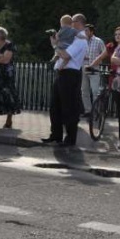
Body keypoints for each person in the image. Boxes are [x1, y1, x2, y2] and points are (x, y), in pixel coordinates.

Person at [46, 14, 88, 147]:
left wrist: (54, 45)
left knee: (69, 107)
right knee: (55, 106)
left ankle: (70, 138)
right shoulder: (72, 37)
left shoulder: (80, 40)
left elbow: (65, 55)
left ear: (78, 22)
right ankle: (56, 135)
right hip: (61, 73)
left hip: (70, 74)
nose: (70, 24)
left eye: (72, 21)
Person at [82, 23, 106, 117]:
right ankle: (88, 110)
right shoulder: (82, 41)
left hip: (94, 68)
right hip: (84, 67)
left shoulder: (98, 41)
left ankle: (96, 111)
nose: (85, 32)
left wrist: (97, 62)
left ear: (92, 31)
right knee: (84, 90)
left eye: (87, 30)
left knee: (95, 90)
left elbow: (104, 53)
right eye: (84, 30)